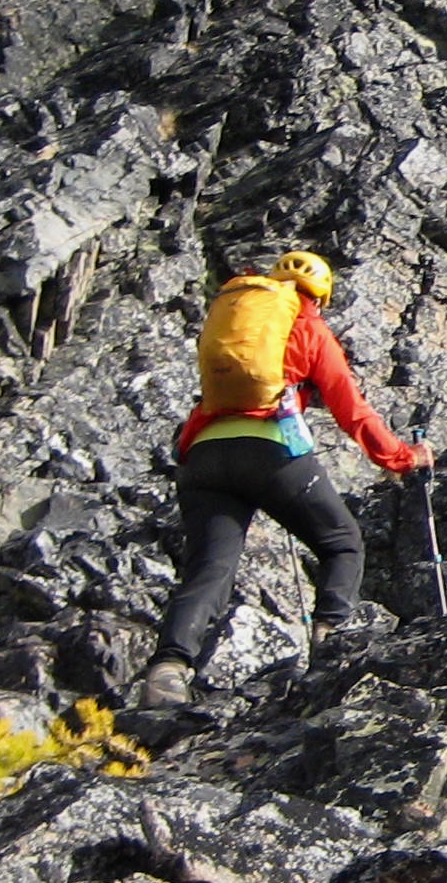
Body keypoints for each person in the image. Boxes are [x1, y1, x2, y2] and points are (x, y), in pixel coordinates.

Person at [134, 251, 426, 708]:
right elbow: (352, 410)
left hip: (204, 455)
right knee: (341, 541)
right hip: (269, 450)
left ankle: (168, 670)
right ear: (321, 296)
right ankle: (331, 650)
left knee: (210, 568)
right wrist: (404, 458)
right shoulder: (310, 328)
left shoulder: (237, 323)